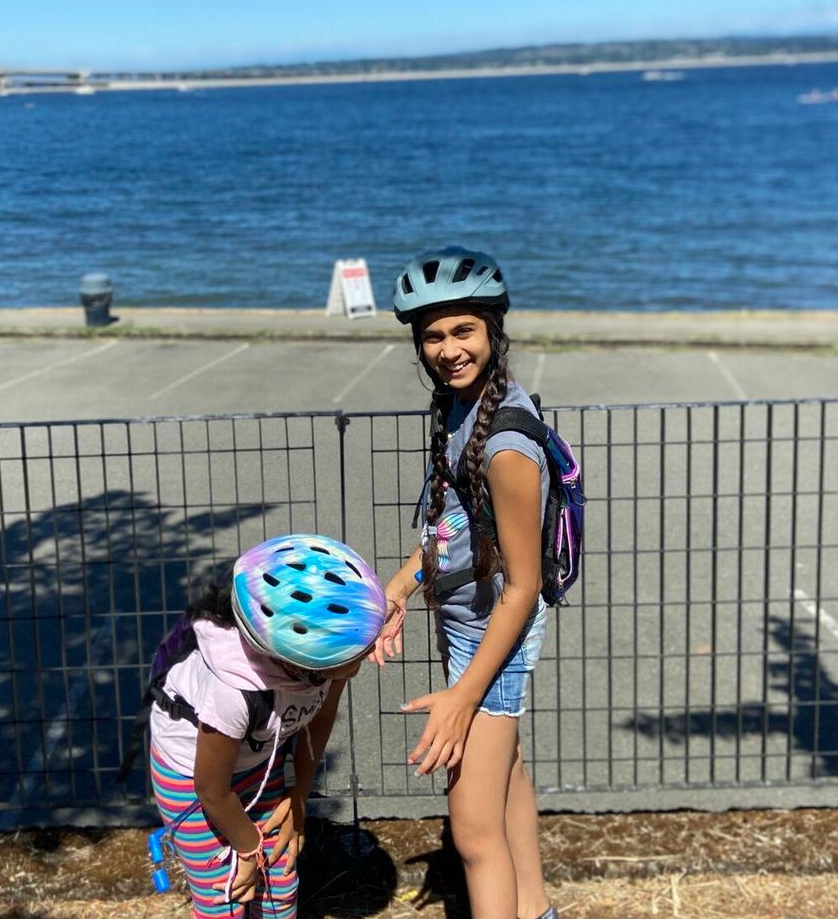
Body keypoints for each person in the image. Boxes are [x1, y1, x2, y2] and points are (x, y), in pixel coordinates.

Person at [370, 246, 555, 919]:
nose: (448, 350)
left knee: (475, 836)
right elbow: (451, 528)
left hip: (492, 644)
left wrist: (461, 698)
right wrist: (397, 588)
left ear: (493, 331)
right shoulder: (461, 407)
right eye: (433, 336)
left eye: (464, 331)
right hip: (472, 632)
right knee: (506, 780)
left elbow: (523, 587)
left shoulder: (506, 448)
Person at [147, 534, 385, 918]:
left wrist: (299, 795)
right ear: (298, 664)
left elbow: (319, 721)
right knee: (226, 897)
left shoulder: (327, 664)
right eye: (357, 652)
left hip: (255, 762)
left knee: (280, 884)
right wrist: (248, 848)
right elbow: (211, 789)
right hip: (192, 779)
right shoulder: (233, 690)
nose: (369, 653)